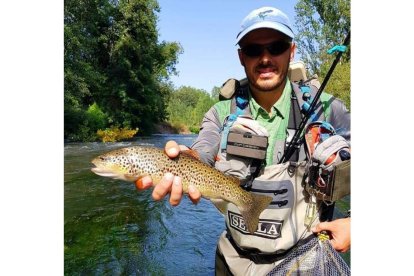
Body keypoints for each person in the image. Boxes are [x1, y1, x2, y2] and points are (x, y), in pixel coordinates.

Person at [136, 6, 350, 275]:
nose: (265, 58)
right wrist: (182, 160)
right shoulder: (221, 114)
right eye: (253, 49)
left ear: (291, 51)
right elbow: (201, 151)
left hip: (304, 261)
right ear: (241, 56)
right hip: (234, 261)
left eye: (276, 46)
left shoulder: (327, 109)